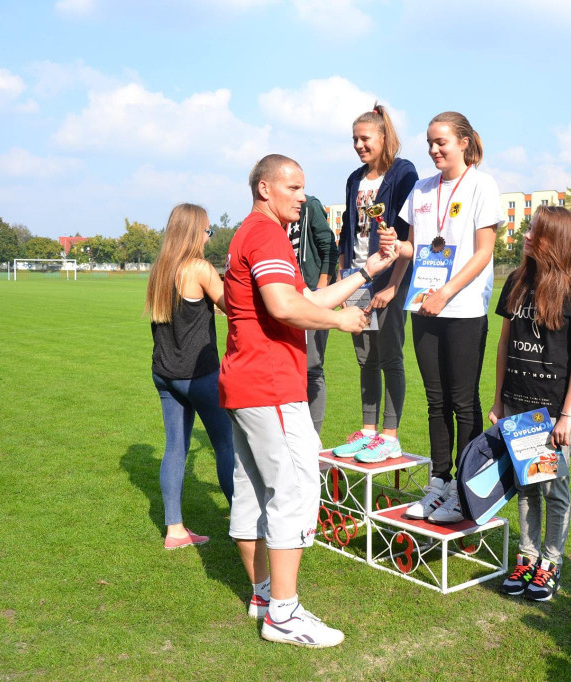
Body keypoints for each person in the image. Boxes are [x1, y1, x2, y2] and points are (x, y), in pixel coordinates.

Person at [221, 154, 396, 648]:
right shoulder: (266, 234)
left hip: (245, 385)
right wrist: (343, 322)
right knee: (295, 494)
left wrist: (367, 272)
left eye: (304, 188)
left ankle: (262, 595)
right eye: (293, 187)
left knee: (255, 493)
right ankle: (284, 614)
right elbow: (283, 306)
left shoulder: (250, 233)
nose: (303, 196)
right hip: (271, 386)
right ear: (264, 189)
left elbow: (306, 299)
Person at [483, 205, 571, 602]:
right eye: (528, 231)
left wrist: (567, 415)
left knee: (554, 491)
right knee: (526, 486)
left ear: (556, 238)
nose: (526, 237)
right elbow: (504, 343)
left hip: (552, 414)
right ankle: (527, 557)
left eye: (535, 232)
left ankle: (550, 563)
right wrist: (498, 400)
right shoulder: (517, 280)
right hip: (517, 407)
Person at [390, 111, 501, 521]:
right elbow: (417, 248)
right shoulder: (420, 189)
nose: (435, 150)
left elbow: (483, 252)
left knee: (463, 400)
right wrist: (395, 246)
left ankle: (465, 490)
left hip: (463, 308)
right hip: (424, 305)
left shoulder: (482, 185)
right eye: (430, 144)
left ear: (464, 143)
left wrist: (447, 292)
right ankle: (439, 481)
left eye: (442, 143)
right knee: (436, 401)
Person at [145, 203, 235, 550]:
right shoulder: (199, 267)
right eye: (207, 230)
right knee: (226, 445)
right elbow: (232, 306)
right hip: (198, 376)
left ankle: (175, 531)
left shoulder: (160, 270)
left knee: (175, 448)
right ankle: (244, 523)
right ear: (194, 232)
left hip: (164, 374)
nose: (208, 236)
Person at [332, 103, 418, 461]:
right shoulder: (354, 179)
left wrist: (393, 285)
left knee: (390, 357)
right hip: (357, 279)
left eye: (365, 138)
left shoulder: (403, 173)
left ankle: (390, 435)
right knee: (365, 359)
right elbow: (348, 230)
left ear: (383, 137)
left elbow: (408, 234)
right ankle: (368, 431)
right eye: (354, 139)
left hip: (388, 281)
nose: (358, 145)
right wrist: (342, 277)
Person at [287, 195, 339, 434]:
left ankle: (313, 440)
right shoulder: (276, 213)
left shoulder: (311, 205)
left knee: (313, 367)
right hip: (287, 298)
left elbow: (330, 247)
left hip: (312, 296)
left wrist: (320, 290)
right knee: (289, 368)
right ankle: (293, 434)